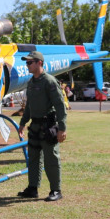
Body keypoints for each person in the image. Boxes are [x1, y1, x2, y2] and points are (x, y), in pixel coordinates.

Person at [16, 52, 68, 202]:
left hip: (48, 126)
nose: (27, 66)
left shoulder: (50, 81)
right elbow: (29, 106)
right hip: (35, 126)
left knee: (51, 159)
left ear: (39, 63)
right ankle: (33, 188)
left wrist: (62, 128)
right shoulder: (31, 82)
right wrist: (22, 122)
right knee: (33, 158)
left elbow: (60, 106)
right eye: (26, 63)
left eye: (30, 63)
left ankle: (56, 190)